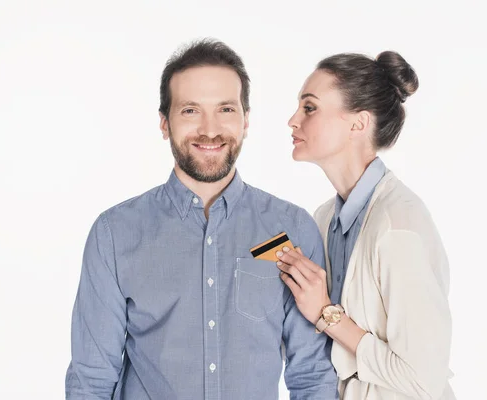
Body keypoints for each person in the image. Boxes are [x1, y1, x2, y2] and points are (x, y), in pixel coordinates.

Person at [65, 38, 338, 400]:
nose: (210, 129)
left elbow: (311, 376)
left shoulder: (293, 229)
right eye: (190, 110)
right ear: (164, 124)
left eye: (226, 110)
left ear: (245, 122)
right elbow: (92, 380)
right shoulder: (114, 234)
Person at [277, 51, 455, 399]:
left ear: (358, 124)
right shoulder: (324, 218)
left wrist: (326, 314)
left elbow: (423, 378)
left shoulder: (398, 227)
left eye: (309, 108)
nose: (293, 120)